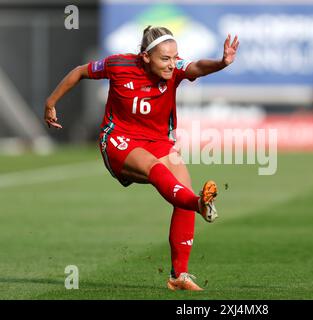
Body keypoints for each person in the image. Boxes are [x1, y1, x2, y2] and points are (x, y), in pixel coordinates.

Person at [44, 26, 239, 291]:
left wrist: (222, 62)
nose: (172, 64)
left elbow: (198, 68)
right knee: (156, 168)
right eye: (165, 59)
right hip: (118, 140)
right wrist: (50, 102)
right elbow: (79, 72)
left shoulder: (176, 69)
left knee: (180, 188)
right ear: (146, 57)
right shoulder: (118, 64)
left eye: (175, 57)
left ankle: (179, 276)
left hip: (158, 141)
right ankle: (199, 204)